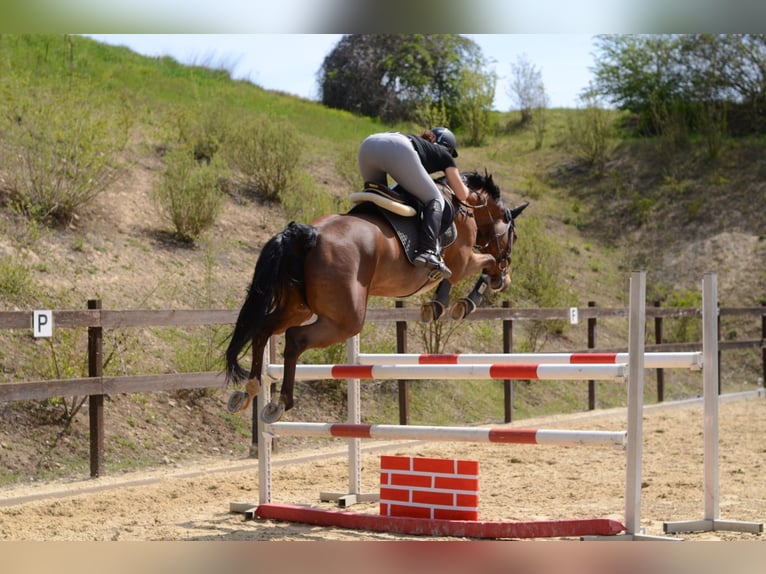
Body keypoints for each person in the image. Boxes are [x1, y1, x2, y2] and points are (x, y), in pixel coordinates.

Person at [357, 127, 470, 279]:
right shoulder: (444, 154)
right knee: (435, 199)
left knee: (376, 197)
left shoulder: (420, 146)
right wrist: (468, 189)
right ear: (448, 148)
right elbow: (462, 194)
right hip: (397, 147)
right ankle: (427, 251)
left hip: (368, 144)